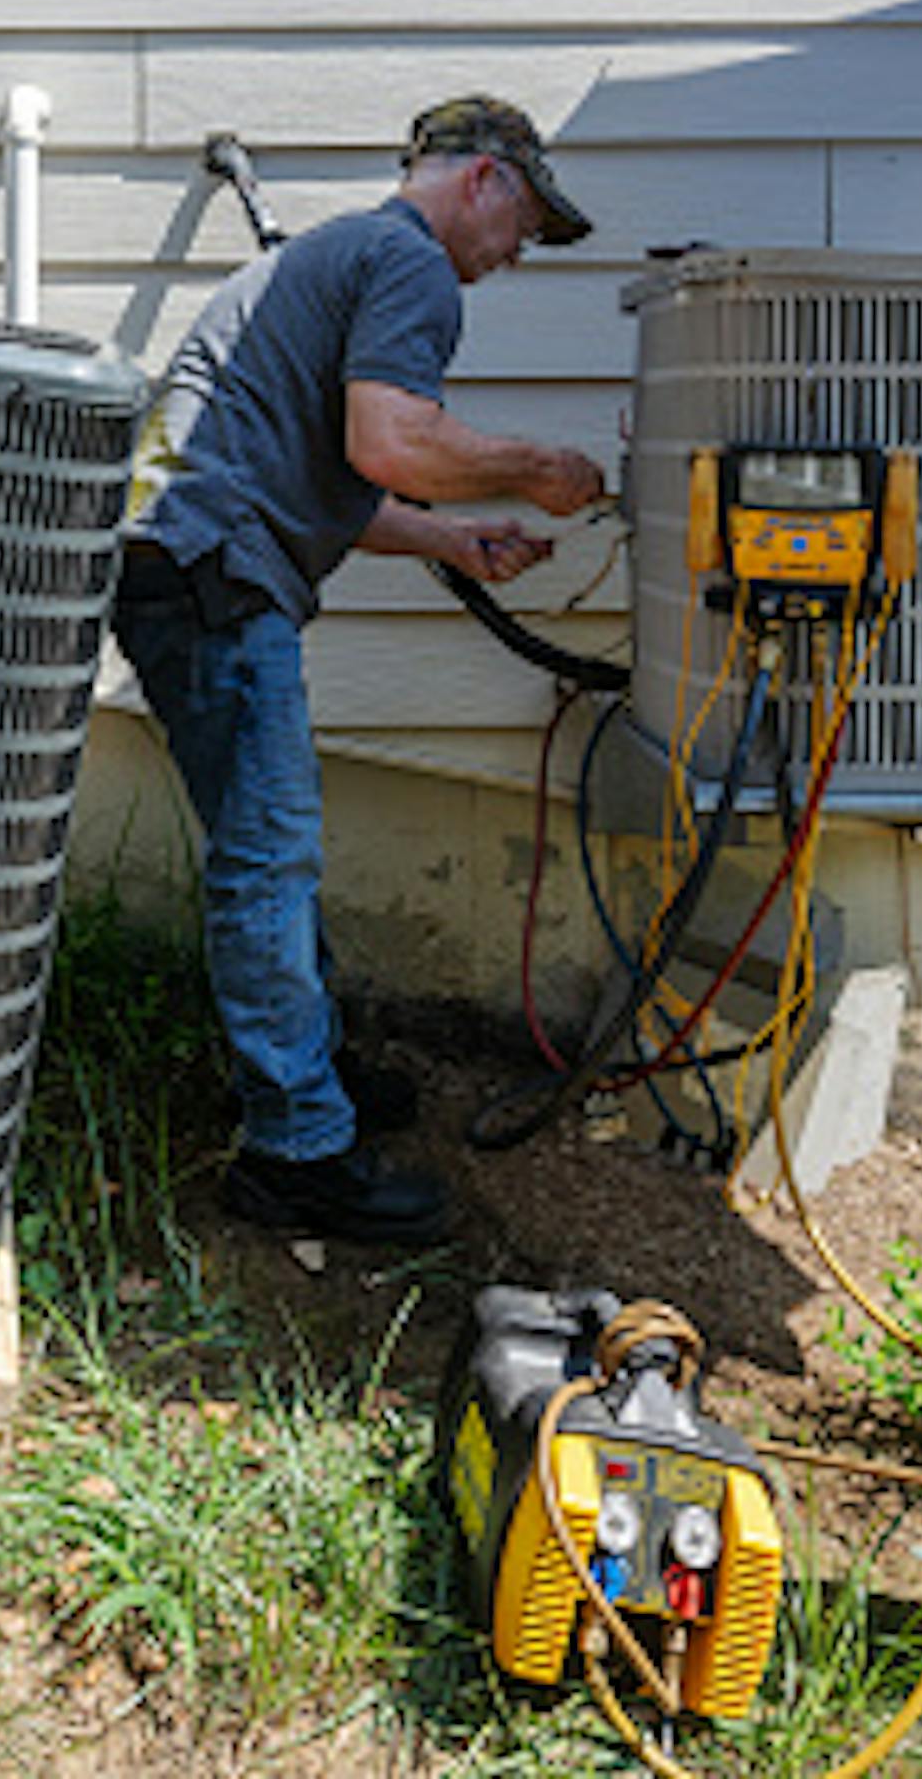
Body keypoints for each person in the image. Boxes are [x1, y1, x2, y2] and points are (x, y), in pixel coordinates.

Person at [112, 98, 612, 1244]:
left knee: (270, 849)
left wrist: (453, 539)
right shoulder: (409, 260)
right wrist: (536, 468)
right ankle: (295, 1150)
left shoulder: (339, 253)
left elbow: (326, 479)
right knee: (269, 859)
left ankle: (309, 1067)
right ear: (484, 179)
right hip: (215, 576)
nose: (517, 254)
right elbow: (391, 442)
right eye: (526, 225)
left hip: (183, 562)